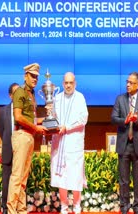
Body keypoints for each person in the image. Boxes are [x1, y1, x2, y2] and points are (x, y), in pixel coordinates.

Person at [7, 63, 48, 214]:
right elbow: (18, 117)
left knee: (23, 178)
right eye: (32, 75)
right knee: (17, 176)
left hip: (30, 135)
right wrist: (36, 127)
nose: (35, 79)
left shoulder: (32, 94)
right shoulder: (20, 92)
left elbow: (33, 119)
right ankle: (12, 210)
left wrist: (47, 121)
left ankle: (21, 209)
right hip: (22, 135)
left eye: (37, 76)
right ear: (25, 76)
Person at [111, 72, 138, 214]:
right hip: (124, 144)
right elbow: (114, 118)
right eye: (127, 82)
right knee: (124, 180)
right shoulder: (120, 99)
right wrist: (125, 121)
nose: (128, 84)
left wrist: (136, 119)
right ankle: (124, 207)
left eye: (131, 83)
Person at [50, 72, 88, 214]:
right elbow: (52, 118)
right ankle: (64, 207)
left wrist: (68, 127)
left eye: (71, 82)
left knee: (75, 178)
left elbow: (84, 118)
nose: (68, 85)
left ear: (75, 83)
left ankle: (77, 207)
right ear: (62, 83)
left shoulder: (80, 97)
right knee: (62, 178)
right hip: (59, 145)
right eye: (66, 82)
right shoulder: (57, 98)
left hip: (74, 144)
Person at [0, 82, 19, 214]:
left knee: (20, 180)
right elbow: (2, 131)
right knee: (6, 180)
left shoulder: (25, 110)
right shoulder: (3, 111)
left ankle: (18, 206)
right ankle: (5, 208)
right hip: (7, 148)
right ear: (10, 95)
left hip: (21, 149)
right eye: (16, 93)